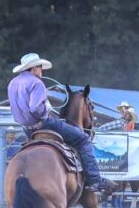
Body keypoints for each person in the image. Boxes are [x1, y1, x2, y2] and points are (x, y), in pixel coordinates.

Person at [6, 53, 115, 194]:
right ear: (34, 68)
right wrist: (46, 110)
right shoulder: (37, 83)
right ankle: (95, 180)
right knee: (83, 139)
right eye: (40, 67)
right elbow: (35, 108)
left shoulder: (13, 83)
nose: (41, 71)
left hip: (27, 129)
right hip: (43, 124)